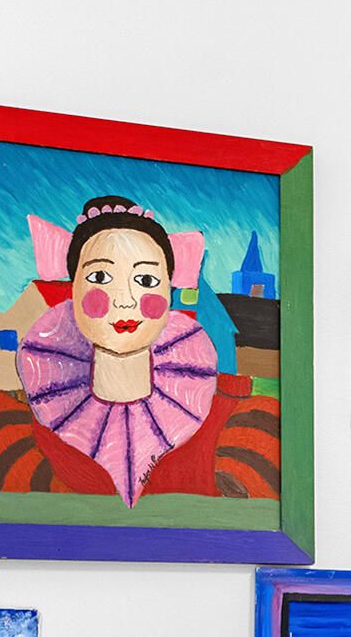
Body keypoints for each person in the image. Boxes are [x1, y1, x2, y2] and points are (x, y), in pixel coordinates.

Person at [15, 196, 221, 503]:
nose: (125, 301)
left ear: (170, 288)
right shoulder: (27, 429)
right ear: (72, 289)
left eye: (146, 280)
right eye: (100, 277)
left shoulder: (219, 417)